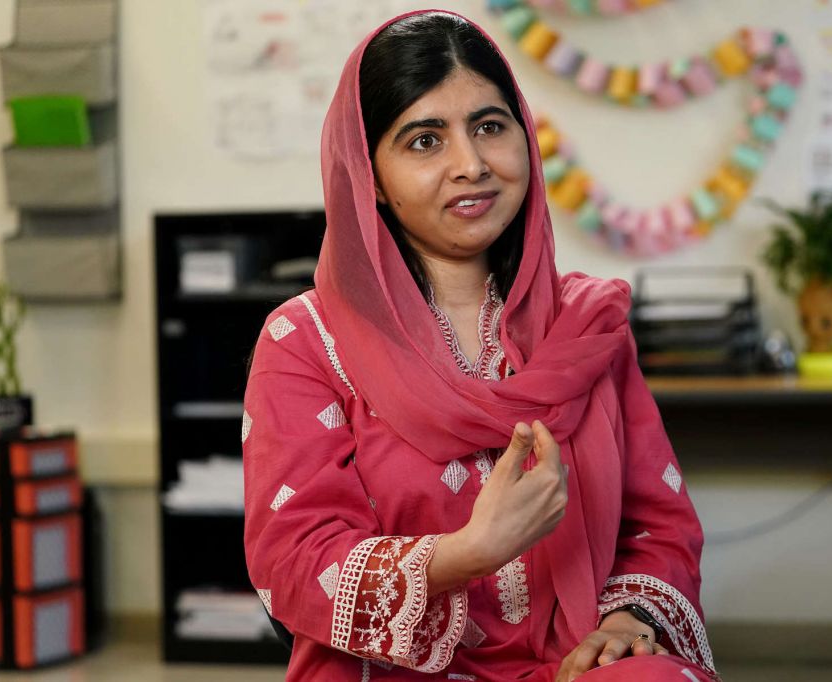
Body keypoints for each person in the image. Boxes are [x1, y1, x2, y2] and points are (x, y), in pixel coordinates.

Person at [242, 9, 717, 681]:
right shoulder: (307, 341)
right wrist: (466, 553)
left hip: (569, 666)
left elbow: (658, 524)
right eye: (424, 141)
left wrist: (625, 622)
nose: (471, 166)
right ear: (369, 176)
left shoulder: (586, 327)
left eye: (490, 128)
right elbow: (291, 558)